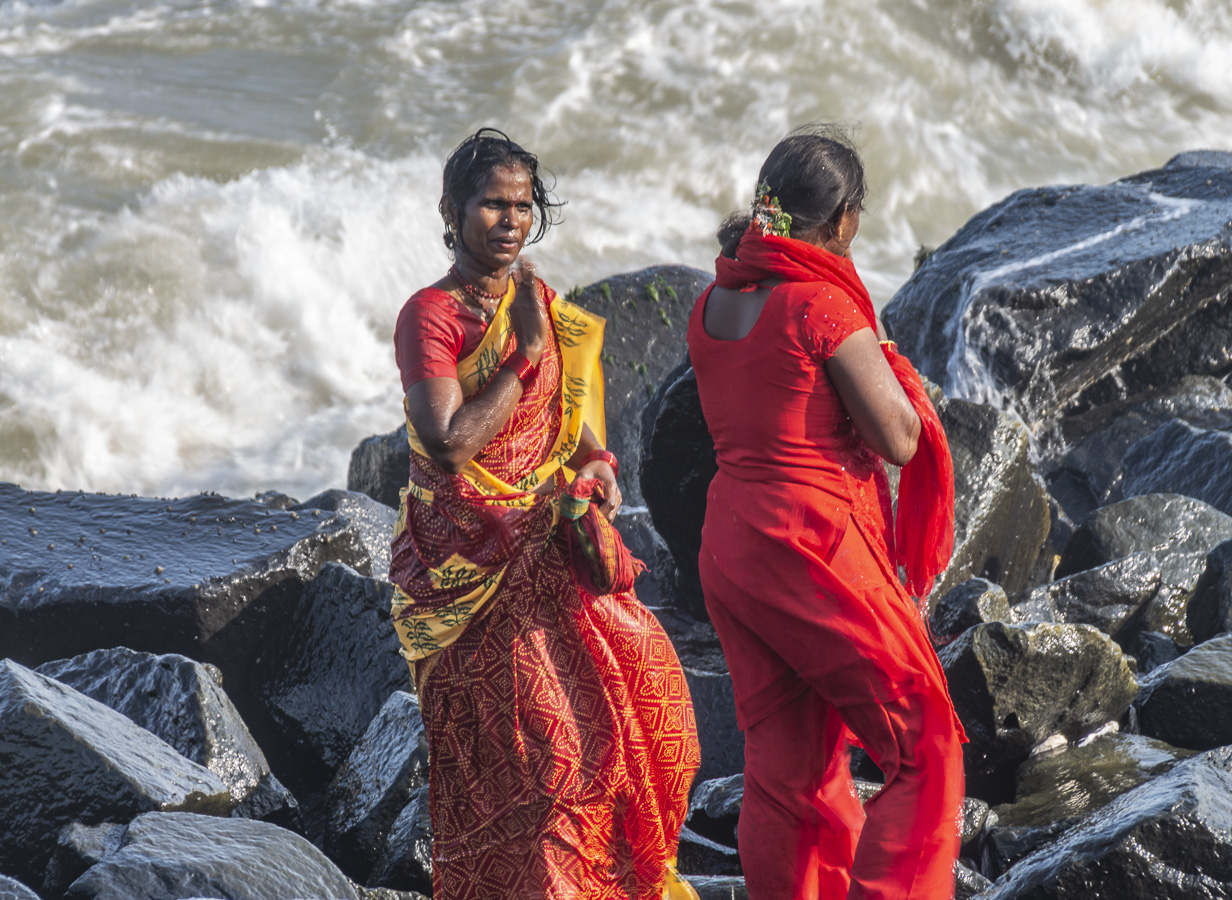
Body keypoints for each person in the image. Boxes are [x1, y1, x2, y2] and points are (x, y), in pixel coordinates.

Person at [387, 128, 700, 900]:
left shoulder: (543, 303)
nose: (509, 221)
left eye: (523, 206)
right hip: (470, 574)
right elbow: (451, 444)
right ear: (451, 210)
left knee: (642, 736)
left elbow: (577, 425)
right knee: (532, 771)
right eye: (492, 204)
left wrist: (597, 464)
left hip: (552, 557)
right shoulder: (429, 316)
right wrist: (523, 355)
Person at [685, 126, 968, 900]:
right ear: (843, 221)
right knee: (927, 740)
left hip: (733, 547)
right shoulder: (824, 307)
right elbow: (898, 440)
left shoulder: (714, 302)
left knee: (787, 764)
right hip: (812, 545)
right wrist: (899, 371)